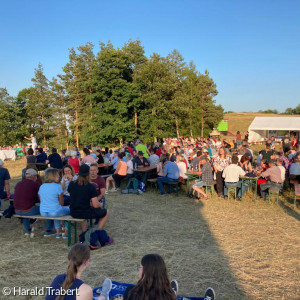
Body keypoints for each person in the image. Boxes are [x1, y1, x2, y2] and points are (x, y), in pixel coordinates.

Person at [123, 254, 215, 300]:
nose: (138, 270)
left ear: (146, 272)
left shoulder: (130, 292)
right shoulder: (168, 296)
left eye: (140, 267)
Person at [46, 244, 112, 300]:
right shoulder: (85, 290)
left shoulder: (57, 279)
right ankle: (103, 297)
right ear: (87, 262)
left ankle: (102, 297)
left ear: (68, 260)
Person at [68, 164, 109, 232]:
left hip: (73, 212)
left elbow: (72, 194)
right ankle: (98, 232)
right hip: (85, 212)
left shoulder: (72, 184)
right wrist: (100, 205)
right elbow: (95, 205)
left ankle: (84, 232)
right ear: (88, 174)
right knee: (106, 212)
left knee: (84, 209)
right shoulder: (90, 186)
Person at [39, 168, 70, 238]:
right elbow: (62, 202)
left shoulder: (42, 186)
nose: (59, 176)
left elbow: (41, 200)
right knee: (68, 211)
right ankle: (65, 233)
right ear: (52, 177)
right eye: (57, 175)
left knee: (57, 212)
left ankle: (58, 233)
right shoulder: (57, 186)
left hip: (43, 212)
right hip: (54, 212)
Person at [14, 169, 40, 236]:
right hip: (28, 210)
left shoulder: (18, 184)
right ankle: (49, 229)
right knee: (47, 209)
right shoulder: (35, 184)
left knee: (25, 208)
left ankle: (27, 230)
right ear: (34, 176)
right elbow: (41, 196)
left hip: (16, 210)